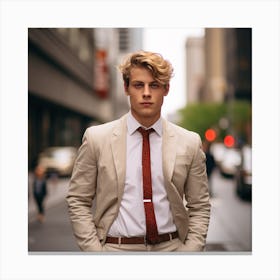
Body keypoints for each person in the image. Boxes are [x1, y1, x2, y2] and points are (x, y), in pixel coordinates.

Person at [66, 50, 211, 252]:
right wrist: (95, 253)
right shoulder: (97, 138)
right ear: (126, 88)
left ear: (166, 89)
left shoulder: (189, 142)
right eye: (138, 85)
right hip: (115, 251)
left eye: (154, 85)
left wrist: (189, 252)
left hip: (171, 249)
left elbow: (200, 206)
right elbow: (78, 199)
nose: (146, 93)